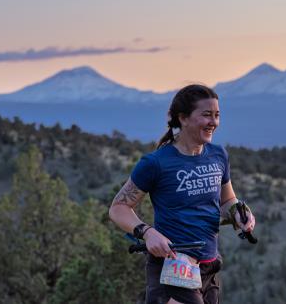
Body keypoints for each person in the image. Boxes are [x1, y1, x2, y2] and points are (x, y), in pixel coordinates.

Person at [109, 84, 255, 304]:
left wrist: (238, 213)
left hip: (210, 266)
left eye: (217, 115)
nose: (213, 122)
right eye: (206, 115)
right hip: (173, 267)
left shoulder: (218, 155)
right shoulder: (156, 163)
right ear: (183, 118)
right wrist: (148, 233)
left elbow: (226, 200)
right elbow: (118, 208)